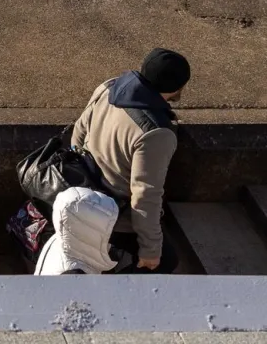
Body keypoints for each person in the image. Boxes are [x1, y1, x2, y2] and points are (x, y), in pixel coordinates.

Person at [70, 47, 188, 274]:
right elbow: (145, 196)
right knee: (165, 262)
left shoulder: (109, 87)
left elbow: (78, 135)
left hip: (83, 193)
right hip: (113, 215)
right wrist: (150, 250)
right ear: (178, 87)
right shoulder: (156, 133)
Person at [33, 187, 121, 276]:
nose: (113, 230)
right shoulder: (73, 275)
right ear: (89, 230)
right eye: (108, 227)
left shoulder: (64, 236)